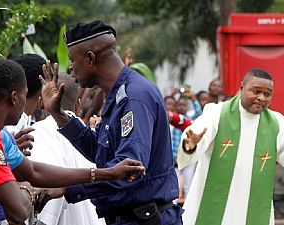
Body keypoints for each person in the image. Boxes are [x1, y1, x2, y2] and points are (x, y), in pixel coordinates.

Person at [0, 59, 145, 225]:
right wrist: (26, 189)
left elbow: (33, 172)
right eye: (26, 95)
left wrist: (107, 173)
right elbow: (18, 211)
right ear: (15, 98)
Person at [40, 20, 182, 225]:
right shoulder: (118, 95)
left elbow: (129, 171)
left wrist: (67, 188)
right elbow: (100, 150)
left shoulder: (134, 97)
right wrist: (58, 114)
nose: (70, 68)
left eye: (73, 60)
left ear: (90, 58)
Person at [178, 69, 284, 225]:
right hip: (214, 206)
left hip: (253, 209)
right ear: (242, 88)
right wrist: (191, 144)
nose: (261, 98)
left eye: (267, 94)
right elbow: (201, 131)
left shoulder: (275, 123)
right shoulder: (218, 113)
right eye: (256, 92)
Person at [29, 74, 105, 225]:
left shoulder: (37, 132)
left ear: (41, 102)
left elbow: (47, 196)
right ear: (77, 105)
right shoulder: (94, 138)